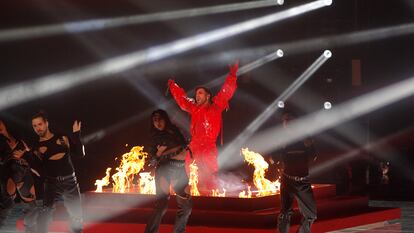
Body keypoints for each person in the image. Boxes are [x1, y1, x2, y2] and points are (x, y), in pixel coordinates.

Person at [168, 62, 239, 194]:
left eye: (200, 93)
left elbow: (226, 91)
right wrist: (173, 86)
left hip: (208, 146)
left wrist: (232, 74)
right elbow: (182, 100)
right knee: (193, 177)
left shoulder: (216, 106)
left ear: (208, 96)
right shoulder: (193, 108)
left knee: (210, 178)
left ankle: (213, 198)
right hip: (194, 145)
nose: (197, 96)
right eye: (196, 94)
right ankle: (194, 199)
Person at [31, 112, 85, 233]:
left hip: (70, 182)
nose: (38, 128)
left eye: (40, 124)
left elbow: (80, 154)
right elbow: (38, 171)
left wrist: (77, 135)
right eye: (34, 126)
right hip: (51, 183)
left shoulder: (62, 138)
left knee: (77, 217)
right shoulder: (36, 147)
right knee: (44, 215)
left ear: (46, 123)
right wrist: (29, 157)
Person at [144, 109, 192, 233]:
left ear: (165, 119)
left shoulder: (175, 131)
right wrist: (160, 153)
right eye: (155, 120)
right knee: (161, 206)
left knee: (186, 207)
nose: (157, 122)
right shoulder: (154, 137)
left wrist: (165, 153)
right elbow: (152, 161)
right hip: (164, 172)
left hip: (180, 171)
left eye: (160, 119)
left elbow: (184, 148)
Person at [274, 112, 317, 233]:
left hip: (303, 182)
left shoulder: (304, 137)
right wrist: (280, 150)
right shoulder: (281, 139)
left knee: (311, 214)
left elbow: (313, 156)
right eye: (285, 121)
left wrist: (309, 144)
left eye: (290, 120)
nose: (287, 123)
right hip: (287, 180)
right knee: (285, 212)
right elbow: (274, 159)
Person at [0, 119, 40, 232]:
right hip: (10, 172)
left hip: (24, 169)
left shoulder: (16, 132)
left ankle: (30, 229)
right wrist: (11, 152)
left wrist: (27, 151)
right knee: (6, 205)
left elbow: (29, 146)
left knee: (32, 203)